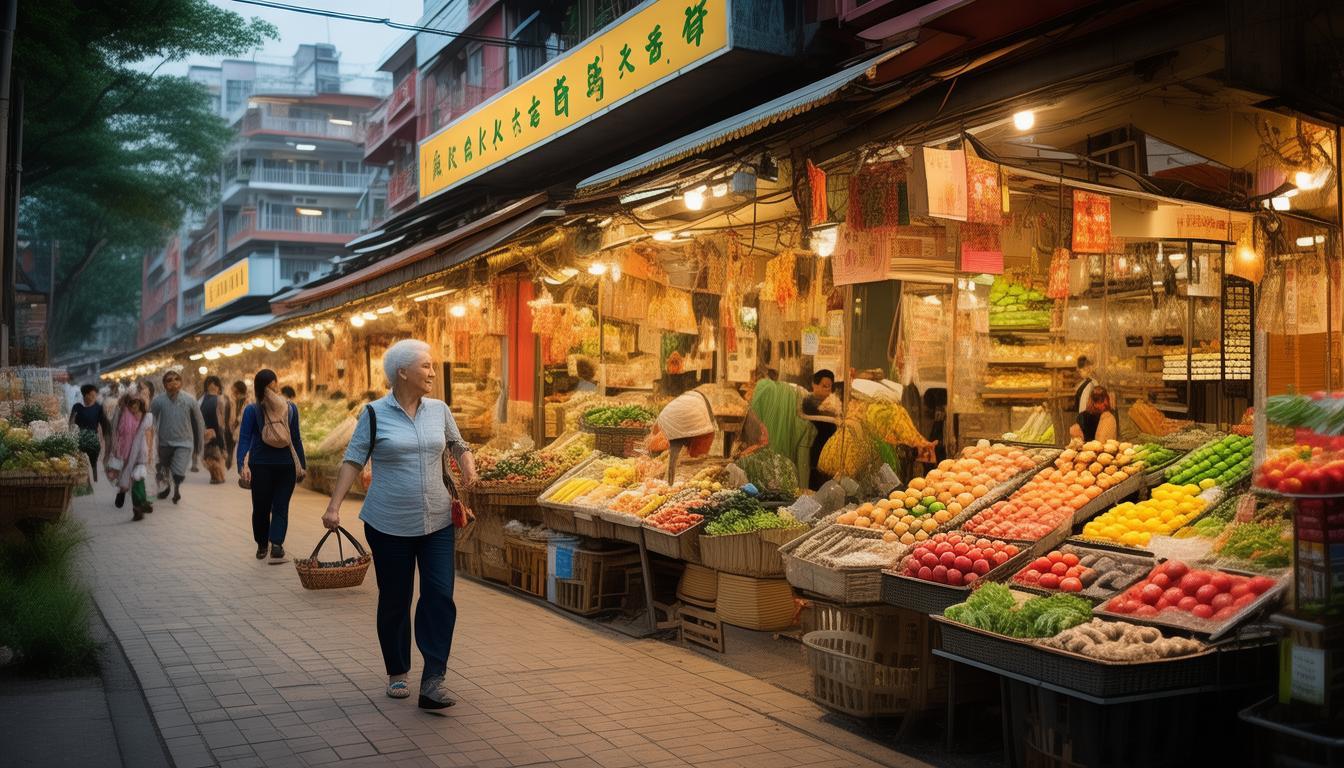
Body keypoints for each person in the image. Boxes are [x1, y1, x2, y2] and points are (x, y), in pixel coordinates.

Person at [322, 340, 479, 709]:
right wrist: (333, 507)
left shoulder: (439, 410)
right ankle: (397, 671)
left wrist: (468, 465)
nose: (433, 373)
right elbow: (353, 459)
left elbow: (457, 443)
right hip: (388, 523)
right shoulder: (374, 413)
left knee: (439, 596)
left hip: (437, 520)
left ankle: (433, 679)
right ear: (402, 372)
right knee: (395, 599)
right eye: (426, 366)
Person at [236, 369, 307, 563]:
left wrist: (242, 464)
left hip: (266, 465)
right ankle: (269, 543)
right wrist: (301, 465)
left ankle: (271, 544)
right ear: (276, 384)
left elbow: (244, 439)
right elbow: (296, 439)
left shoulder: (255, 409)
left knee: (268, 506)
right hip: (275, 465)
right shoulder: (287, 408)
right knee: (272, 506)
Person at [750, 377, 816, 490]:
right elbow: (803, 464)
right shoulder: (801, 425)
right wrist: (802, 489)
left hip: (758, 480)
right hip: (789, 482)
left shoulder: (763, 389)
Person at [150, 370, 204, 504]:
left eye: (176, 379)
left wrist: (201, 442)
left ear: (181, 382)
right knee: (164, 468)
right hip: (164, 442)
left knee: (178, 471)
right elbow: (151, 420)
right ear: (164, 384)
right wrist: (150, 441)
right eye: (169, 380)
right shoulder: (158, 401)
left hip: (184, 442)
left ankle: (177, 488)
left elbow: (199, 421)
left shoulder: (190, 400)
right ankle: (167, 487)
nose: (173, 382)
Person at [649, 390, 718, 483]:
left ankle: (671, 482)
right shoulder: (667, 421)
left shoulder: (671, 424)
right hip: (690, 417)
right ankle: (671, 481)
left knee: (682, 456)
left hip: (691, 419)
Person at [107, 394, 154, 521]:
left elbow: (149, 435)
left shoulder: (146, 418)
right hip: (126, 453)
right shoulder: (124, 416)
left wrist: (150, 452)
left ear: (141, 406)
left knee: (138, 478)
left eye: (137, 405)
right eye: (131, 405)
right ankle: (135, 502)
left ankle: (138, 506)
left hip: (140, 453)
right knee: (134, 479)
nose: (134, 408)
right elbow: (117, 433)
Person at [802, 370, 839, 491]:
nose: (827, 389)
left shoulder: (832, 402)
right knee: (816, 482)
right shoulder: (808, 401)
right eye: (824, 386)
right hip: (815, 447)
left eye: (829, 386)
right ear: (814, 385)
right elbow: (821, 413)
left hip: (829, 448)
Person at [69, 384, 111, 482]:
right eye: (92, 395)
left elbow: (104, 424)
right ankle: (82, 482)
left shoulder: (98, 408)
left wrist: (107, 440)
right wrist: (71, 434)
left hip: (93, 440)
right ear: (85, 395)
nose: (94, 397)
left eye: (95, 395)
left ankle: (94, 480)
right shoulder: (77, 407)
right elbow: (71, 423)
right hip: (79, 440)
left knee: (93, 462)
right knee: (80, 463)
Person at [199, 376, 229, 484]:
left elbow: (223, 417)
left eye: (215, 384)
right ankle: (217, 476)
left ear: (218, 387)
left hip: (216, 430)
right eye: (210, 384)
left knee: (215, 454)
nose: (213, 386)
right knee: (210, 455)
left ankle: (218, 476)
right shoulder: (202, 399)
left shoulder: (220, 399)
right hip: (207, 430)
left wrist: (222, 430)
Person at [227, 380, 248, 471]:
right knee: (232, 448)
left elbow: (243, 415)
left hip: (241, 429)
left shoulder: (247, 401)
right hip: (233, 428)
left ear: (237, 389)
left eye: (233, 388)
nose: (232, 390)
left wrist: (237, 421)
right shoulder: (233, 400)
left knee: (240, 449)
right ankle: (231, 464)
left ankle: (240, 467)